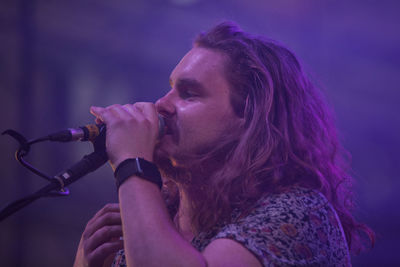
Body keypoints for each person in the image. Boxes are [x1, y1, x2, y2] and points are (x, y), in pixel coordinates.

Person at [73, 21, 374, 267]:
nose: (161, 105)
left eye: (188, 93)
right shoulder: (150, 219)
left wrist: (132, 162)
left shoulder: (300, 215)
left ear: (250, 116)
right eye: (169, 90)